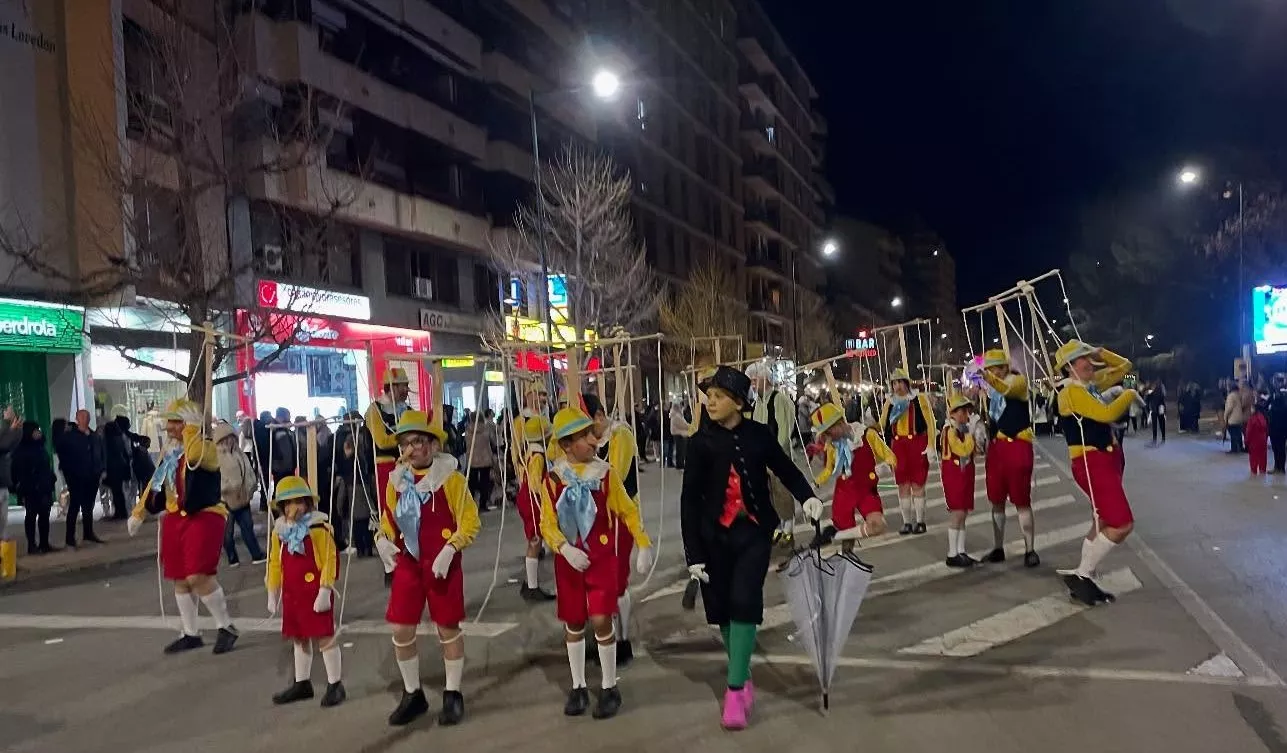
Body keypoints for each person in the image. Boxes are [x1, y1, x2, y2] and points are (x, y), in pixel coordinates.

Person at [680, 366, 823, 731]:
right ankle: (742, 674)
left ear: (739, 402)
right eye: (708, 396)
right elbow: (689, 503)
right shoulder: (699, 443)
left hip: (755, 533)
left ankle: (733, 689)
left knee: (745, 600)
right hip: (713, 537)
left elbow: (785, 469)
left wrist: (807, 497)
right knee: (723, 611)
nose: (710, 402)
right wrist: (693, 554)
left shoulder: (759, 435)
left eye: (718, 396)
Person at [540, 405, 653, 721]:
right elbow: (546, 523)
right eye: (585, 436)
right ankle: (577, 686)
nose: (593, 440)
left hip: (602, 559)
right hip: (569, 562)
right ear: (565, 444)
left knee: (602, 619)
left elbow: (627, 510)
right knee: (574, 622)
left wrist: (643, 544)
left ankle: (608, 686)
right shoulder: (551, 480)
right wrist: (563, 548)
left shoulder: (605, 474)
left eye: (592, 433)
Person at [381, 409, 480, 727]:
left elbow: (470, 521)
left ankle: (452, 694)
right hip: (409, 563)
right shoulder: (395, 482)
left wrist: (451, 548)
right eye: (407, 443)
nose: (413, 449)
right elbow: (389, 519)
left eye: (420, 441)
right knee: (401, 628)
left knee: (447, 628)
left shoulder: (451, 479)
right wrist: (383, 539)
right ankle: (413, 694)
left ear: (434, 445)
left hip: (442, 564)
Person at [127, 399, 240, 654]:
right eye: (169, 423)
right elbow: (156, 483)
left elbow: (197, 458)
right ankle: (190, 632)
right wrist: (140, 512)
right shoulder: (170, 453)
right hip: (175, 517)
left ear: (188, 424)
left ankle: (226, 626)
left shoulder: (205, 447)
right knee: (180, 578)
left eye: (175, 422)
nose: (169, 428)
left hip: (204, 514)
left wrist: (191, 431)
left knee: (198, 575)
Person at [1053, 340, 1138, 606]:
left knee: (1101, 521)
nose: (1088, 363)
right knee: (1122, 523)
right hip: (1091, 461)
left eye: (1087, 358)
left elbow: (1126, 367)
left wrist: (1101, 353)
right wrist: (1129, 393)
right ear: (1069, 367)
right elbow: (1106, 413)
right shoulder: (1070, 392)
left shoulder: (1089, 386)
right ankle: (1083, 575)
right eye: (1082, 359)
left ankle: (1083, 577)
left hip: (1106, 458)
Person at [266, 475, 345, 708]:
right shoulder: (279, 533)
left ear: (308, 503)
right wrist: (272, 591)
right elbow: (274, 562)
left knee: (325, 637)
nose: (294, 508)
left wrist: (325, 590)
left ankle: (335, 684)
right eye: (288, 503)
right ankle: (302, 683)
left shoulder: (319, 529)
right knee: (299, 637)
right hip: (293, 593)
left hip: (315, 592)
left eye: (299, 502)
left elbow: (331, 559)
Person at [581, 392, 644, 667]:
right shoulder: (588, 441)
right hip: (593, 520)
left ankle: (623, 639)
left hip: (620, 516)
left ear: (599, 416)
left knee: (617, 581)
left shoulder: (620, 436)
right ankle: (606, 636)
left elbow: (614, 476)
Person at [980, 350, 1040, 567]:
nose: (991, 372)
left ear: (1005, 367)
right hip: (997, 449)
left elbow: (1006, 388)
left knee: (1022, 501)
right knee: (996, 501)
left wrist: (990, 380)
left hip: (1017, 445)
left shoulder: (1018, 382)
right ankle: (998, 547)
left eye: (995, 367)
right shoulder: (991, 390)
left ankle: (1030, 549)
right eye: (989, 368)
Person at [811, 401, 893, 553]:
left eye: (828, 432)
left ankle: (833, 535)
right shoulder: (832, 445)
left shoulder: (867, 435)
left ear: (839, 423)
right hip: (844, 490)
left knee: (878, 526)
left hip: (866, 489)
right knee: (847, 544)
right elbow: (829, 469)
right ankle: (847, 560)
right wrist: (814, 484)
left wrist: (884, 467)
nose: (827, 438)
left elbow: (890, 457)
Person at [746, 361, 798, 548]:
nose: (752, 383)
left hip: (777, 456)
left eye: (754, 379)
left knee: (782, 492)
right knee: (768, 494)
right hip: (761, 457)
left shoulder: (778, 399)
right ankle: (777, 528)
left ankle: (789, 529)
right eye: (750, 380)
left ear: (765, 379)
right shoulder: (757, 402)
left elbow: (784, 428)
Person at [879, 369, 937, 535]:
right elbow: (883, 425)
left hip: (917, 443)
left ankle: (920, 521)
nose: (897, 386)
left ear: (906, 382)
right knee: (902, 485)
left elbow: (930, 423)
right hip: (898, 446)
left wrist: (931, 445)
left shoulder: (918, 399)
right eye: (894, 383)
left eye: (899, 382)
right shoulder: (889, 402)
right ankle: (907, 522)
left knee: (917, 484)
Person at [215, 421, 266, 566]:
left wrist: (251, 486)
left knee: (248, 528)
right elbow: (216, 479)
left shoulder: (240, 454)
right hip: (225, 500)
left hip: (243, 498)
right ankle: (232, 557)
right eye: (226, 438)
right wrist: (229, 488)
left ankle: (256, 554)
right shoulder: (216, 457)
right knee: (227, 532)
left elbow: (248, 472)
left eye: (232, 437)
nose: (230, 440)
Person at [515, 415, 555, 602]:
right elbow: (534, 484)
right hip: (533, 500)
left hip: (526, 499)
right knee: (535, 541)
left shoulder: (528, 451)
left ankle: (531, 584)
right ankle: (532, 587)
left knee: (534, 542)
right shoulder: (538, 456)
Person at [56, 409, 106, 547]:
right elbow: (63, 456)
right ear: (77, 418)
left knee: (88, 506)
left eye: (87, 416)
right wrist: (70, 473)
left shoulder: (94, 435)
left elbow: (100, 453)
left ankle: (88, 533)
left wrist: (101, 469)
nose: (85, 418)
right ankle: (70, 538)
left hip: (92, 475)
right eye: (82, 416)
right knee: (75, 506)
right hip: (76, 477)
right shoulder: (70, 437)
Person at [939, 395, 978, 568]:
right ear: (953, 413)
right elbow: (962, 451)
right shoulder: (949, 430)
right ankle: (952, 553)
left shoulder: (961, 428)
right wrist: (970, 436)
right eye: (962, 411)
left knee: (963, 513)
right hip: (954, 475)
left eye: (967, 410)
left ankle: (961, 551)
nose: (966, 414)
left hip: (965, 473)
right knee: (958, 513)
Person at [13, 420, 56, 554]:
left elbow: (45, 466)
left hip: (44, 486)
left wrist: (50, 478)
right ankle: (32, 545)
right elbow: (18, 471)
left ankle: (44, 543)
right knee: (31, 516)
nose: (38, 433)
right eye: (35, 430)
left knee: (44, 515)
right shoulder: (21, 449)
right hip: (30, 488)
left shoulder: (40, 447)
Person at [1247, 400, 1269, 475]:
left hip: (1253, 443)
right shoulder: (1264, 417)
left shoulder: (1252, 419)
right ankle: (1263, 474)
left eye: (1252, 408)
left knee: (1253, 461)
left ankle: (1254, 476)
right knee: (1263, 460)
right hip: (1263, 441)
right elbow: (1267, 430)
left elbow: (1248, 432)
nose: (1250, 409)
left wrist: (1246, 442)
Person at [1225, 384, 1246, 453]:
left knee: (1233, 433)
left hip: (1232, 418)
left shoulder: (1231, 396)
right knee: (1238, 433)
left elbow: (1230, 407)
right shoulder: (1239, 396)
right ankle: (1240, 447)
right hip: (1240, 417)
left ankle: (1234, 449)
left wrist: (1226, 415)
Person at [1146, 380, 1168, 445]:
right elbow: (1162, 402)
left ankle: (1157, 438)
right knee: (1159, 424)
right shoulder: (1158, 392)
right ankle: (1160, 438)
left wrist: (1148, 409)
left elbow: (1147, 400)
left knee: (1157, 424)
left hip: (1156, 409)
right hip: (1158, 409)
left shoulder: (1155, 392)